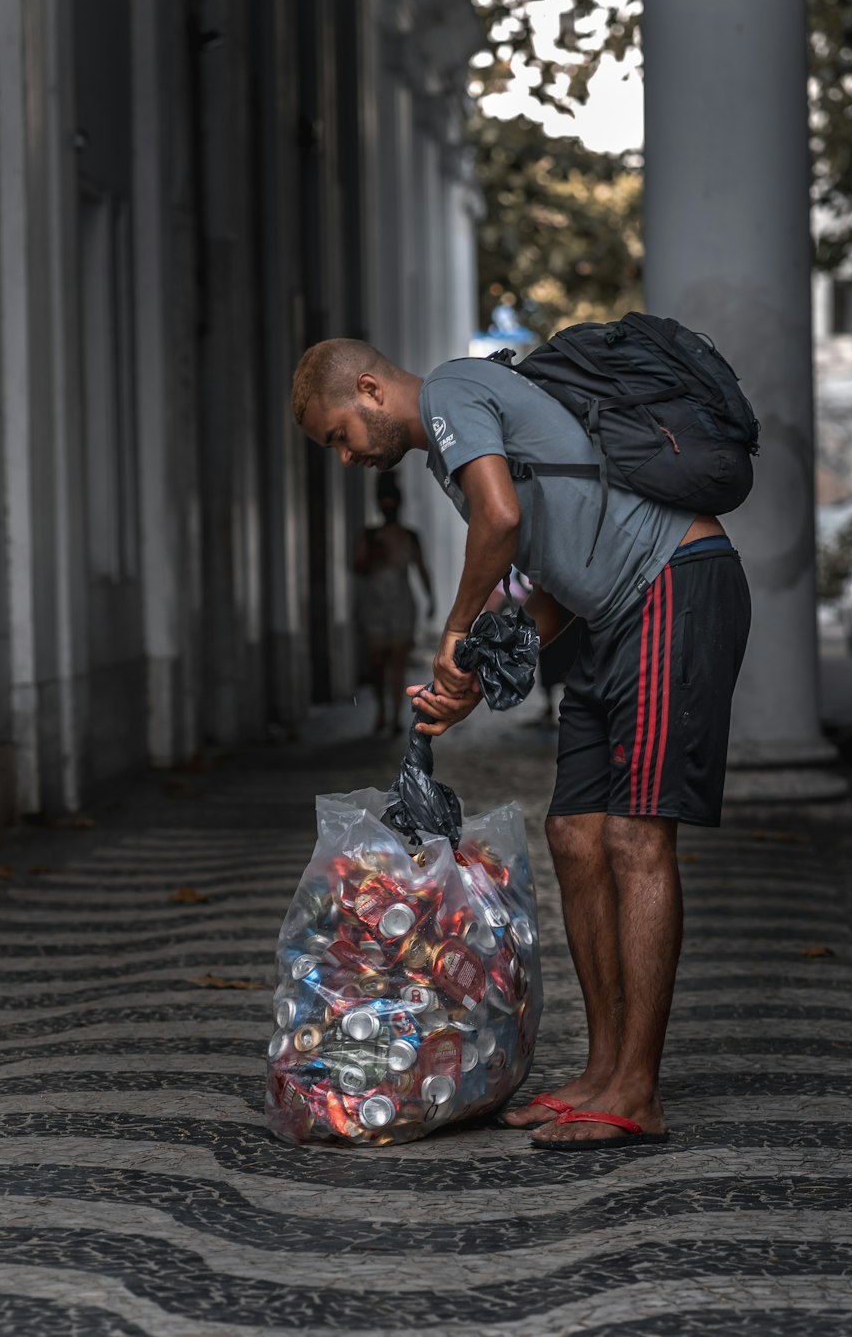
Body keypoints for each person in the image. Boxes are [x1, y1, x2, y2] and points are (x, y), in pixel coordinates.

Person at [291, 338, 750, 1150]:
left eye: (339, 435)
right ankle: (604, 1070)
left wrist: (455, 630)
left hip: (672, 582)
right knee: (574, 835)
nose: (346, 456)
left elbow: (501, 520)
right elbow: (553, 580)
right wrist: (469, 678)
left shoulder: (453, 391)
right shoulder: (451, 450)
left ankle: (637, 1089)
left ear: (368, 389)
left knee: (634, 837)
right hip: (610, 612)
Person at [353, 472, 434, 735]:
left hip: (401, 603)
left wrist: (430, 597)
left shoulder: (410, 536)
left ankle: (395, 716)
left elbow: (422, 568)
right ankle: (381, 709)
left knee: (398, 659)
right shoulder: (369, 534)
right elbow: (358, 566)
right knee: (377, 661)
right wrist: (373, 554)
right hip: (375, 604)